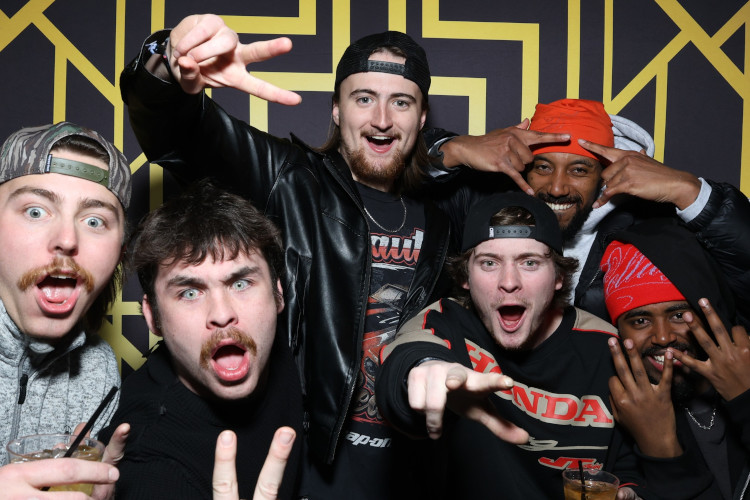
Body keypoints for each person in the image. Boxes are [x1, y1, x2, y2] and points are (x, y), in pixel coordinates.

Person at [119, 14, 567, 498]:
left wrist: (447, 150)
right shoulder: (290, 181)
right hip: (303, 469)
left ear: (421, 119)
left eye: (401, 102)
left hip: (413, 473)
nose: (381, 119)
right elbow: (175, 132)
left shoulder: (450, 213)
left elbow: (552, 222)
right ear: (336, 110)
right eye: (363, 99)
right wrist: (168, 61)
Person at [375, 192, 647, 499]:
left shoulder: (606, 345)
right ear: (465, 277)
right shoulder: (445, 322)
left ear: (558, 276)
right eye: (489, 263)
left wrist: (630, 489)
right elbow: (409, 356)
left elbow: (630, 459)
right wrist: (426, 369)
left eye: (529, 262)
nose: (508, 281)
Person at [431, 98, 750, 325]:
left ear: (604, 176)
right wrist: (451, 149)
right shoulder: (480, 212)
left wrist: (689, 190)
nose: (557, 188)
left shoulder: (649, 230)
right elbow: (401, 177)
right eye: (543, 167)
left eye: (579, 170)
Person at [98, 181, 304, 499]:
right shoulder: (152, 464)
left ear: (278, 294)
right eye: (190, 293)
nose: (222, 314)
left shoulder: (281, 349)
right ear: (153, 317)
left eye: (241, 284)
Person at [0, 122, 131, 495]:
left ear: (119, 253)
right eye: (35, 211)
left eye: (94, 221)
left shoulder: (99, 370)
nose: (68, 239)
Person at [601, 218, 750, 499]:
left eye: (679, 315)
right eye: (640, 320)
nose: (662, 337)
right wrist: (660, 449)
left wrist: (745, 402)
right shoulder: (615, 415)